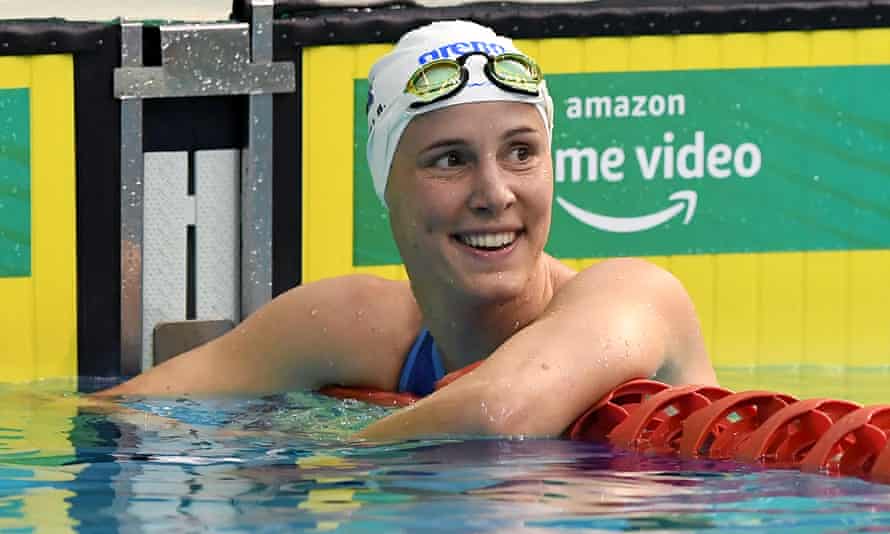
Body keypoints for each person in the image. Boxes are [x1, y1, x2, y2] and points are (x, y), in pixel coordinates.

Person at [98, 20, 717, 440]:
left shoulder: (637, 298)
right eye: (450, 159)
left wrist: (338, 450)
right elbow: (119, 413)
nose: (495, 194)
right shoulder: (352, 324)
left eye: (521, 152)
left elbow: (498, 411)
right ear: (387, 189)